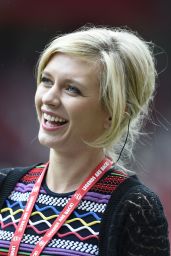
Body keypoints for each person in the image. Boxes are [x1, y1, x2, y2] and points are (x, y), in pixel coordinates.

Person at [0, 25, 170, 256]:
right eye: (46, 80)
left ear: (115, 112)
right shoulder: (4, 186)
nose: (48, 98)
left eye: (72, 89)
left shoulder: (134, 208)